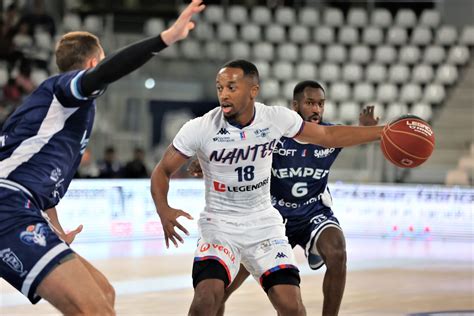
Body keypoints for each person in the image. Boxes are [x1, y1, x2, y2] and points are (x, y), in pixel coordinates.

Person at [0, 1, 205, 314]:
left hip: (24, 205)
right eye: (100, 66)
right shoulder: (65, 90)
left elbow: (37, 177)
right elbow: (103, 74)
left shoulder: (48, 111)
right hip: (9, 206)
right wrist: (165, 39)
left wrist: (55, 226)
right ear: (94, 62)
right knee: (93, 309)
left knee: (103, 292)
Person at [150, 60, 385, 316]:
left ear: (253, 90)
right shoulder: (199, 127)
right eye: (220, 88)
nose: (224, 94)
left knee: (292, 306)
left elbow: (328, 136)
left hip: (264, 223)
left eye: (231, 87)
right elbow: (161, 171)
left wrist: (381, 131)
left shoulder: (275, 119)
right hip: (220, 224)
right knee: (208, 298)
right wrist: (164, 209)